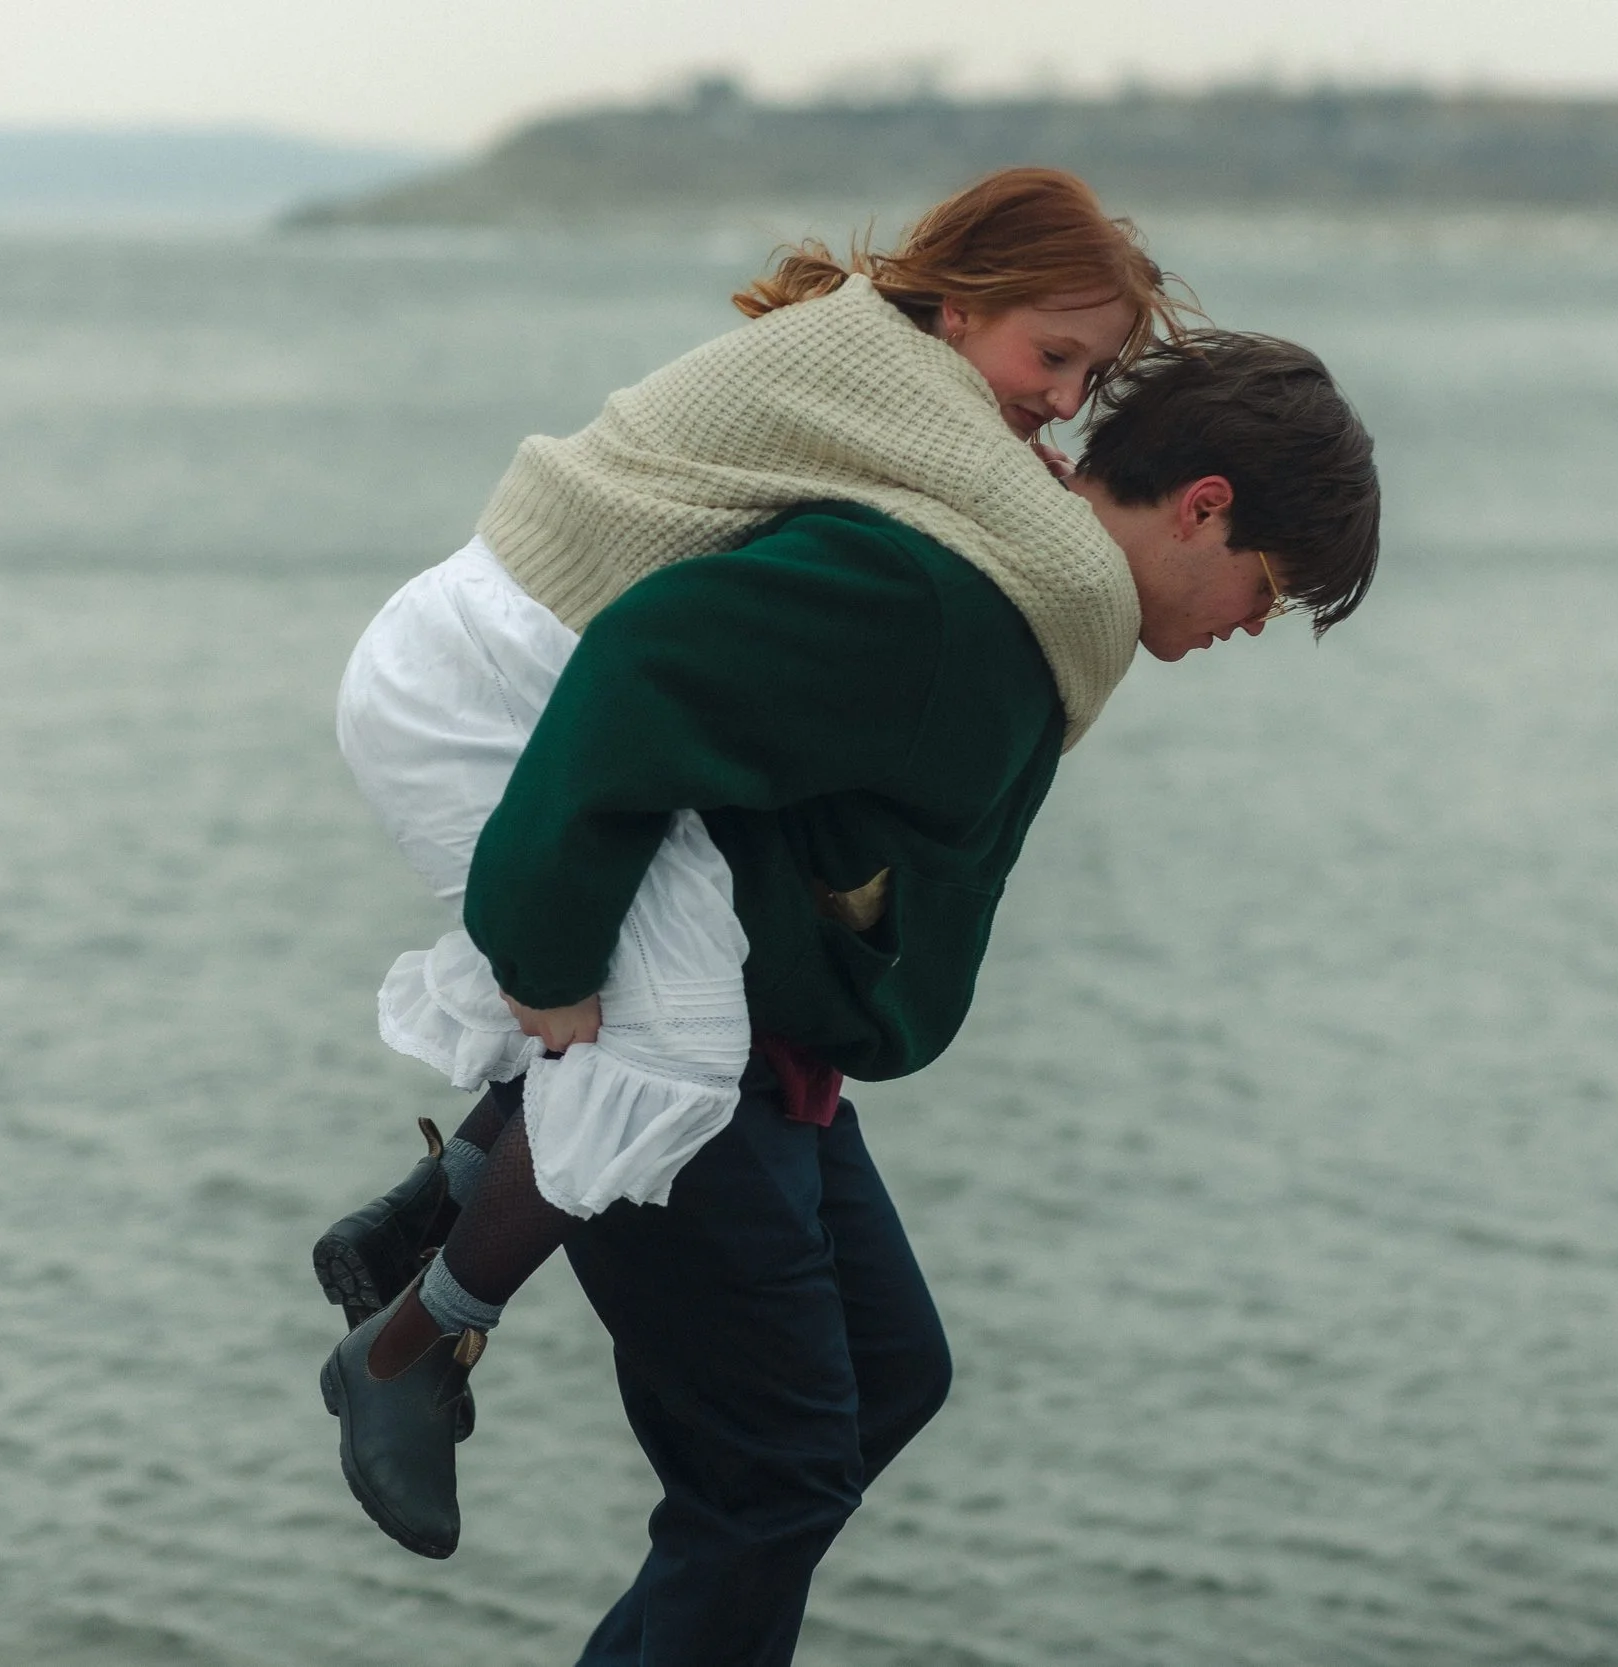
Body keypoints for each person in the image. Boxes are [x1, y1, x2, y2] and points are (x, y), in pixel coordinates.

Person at [321, 324, 1382, 1667]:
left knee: (887, 1376)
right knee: (774, 1471)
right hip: (691, 1069)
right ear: (1205, 507)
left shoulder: (1046, 605)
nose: (1252, 627)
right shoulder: (951, 596)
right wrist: (543, 957)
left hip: (777, 1053)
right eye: (1272, 589)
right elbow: (652, 661)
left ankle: (458, 1197)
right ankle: (423, 1319)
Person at [315, 172, 1184, 1361]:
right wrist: (546, 958)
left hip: (503, 642)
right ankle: (410, 1352)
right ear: (963, 307)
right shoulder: (890, 371)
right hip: (484, 677)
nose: (1064, 398)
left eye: (1092, 377)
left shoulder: (900, 368)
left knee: (665, 981)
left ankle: (414, 1219)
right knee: (671, 1035)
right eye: (1053, 353)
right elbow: (1076, 573)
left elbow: (1010, 519)